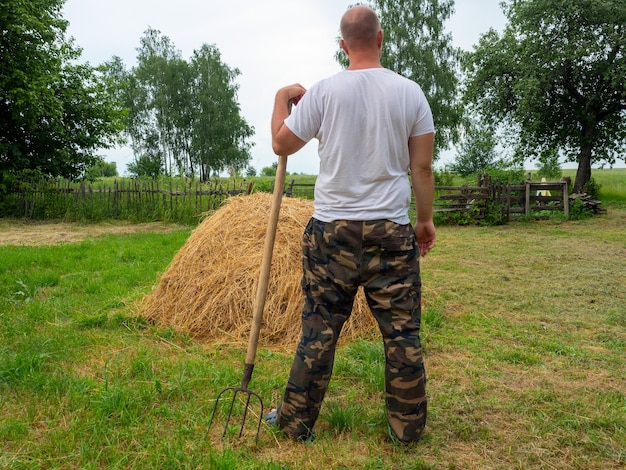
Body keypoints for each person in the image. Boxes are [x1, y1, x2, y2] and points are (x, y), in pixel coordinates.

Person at [268, 5, 436, 444]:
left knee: (318, 329)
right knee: (403, 334)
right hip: (391, 231)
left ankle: (294, 425)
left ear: (343, 46)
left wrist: (280, 99)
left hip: (331, 234)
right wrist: (424, 221)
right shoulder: (411, 93)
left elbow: (280, 143)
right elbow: (422, 170)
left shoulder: (323, 93)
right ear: (380, 39)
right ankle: (408, 431)